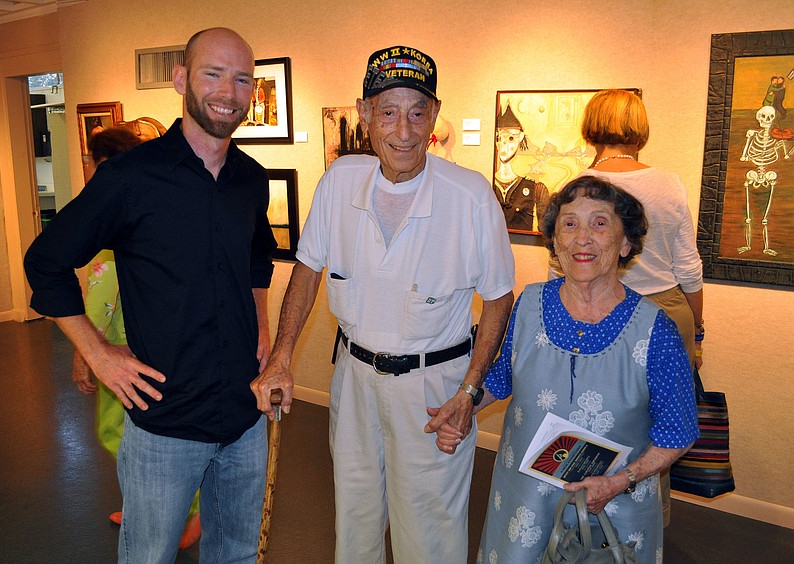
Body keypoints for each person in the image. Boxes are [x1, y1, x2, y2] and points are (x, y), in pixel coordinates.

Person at [250, 45, 516, 563]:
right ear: (364, 113)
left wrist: (470, 390)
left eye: (418, 113)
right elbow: (307, 269)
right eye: (388, 112)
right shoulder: (340, 180)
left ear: (435, 115)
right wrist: (281, 357)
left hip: (433, 389)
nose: (404, 131)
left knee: (429, 532)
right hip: (354, 379)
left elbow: (499, 298)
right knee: (354, 519)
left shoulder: (469, 196)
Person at [24, 27, 277, 564]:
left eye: (241, 80)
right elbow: (45, 262)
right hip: (164, 423)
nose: (228, 93)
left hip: (244, 416)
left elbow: (259, 257)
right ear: (181, 78)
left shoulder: (251, 180)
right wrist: (97, 352)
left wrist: (260, 322)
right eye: (213, 74)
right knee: (147, 556)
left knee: (236, 555)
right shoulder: (130, 178)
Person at [451, 176, 698, 564]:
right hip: (525, 501)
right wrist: (465, 405)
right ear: (554, 241)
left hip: (613, 507)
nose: (582, 238)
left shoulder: (656, 331)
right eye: (569, 224)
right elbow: (502, 378)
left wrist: (620, 481)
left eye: (599, 223)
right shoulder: (529, 303)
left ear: (626, 243)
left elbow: (678, 433)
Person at [551, 88, 705, 526]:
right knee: (661, 427)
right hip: (667, 309)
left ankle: (578, 516)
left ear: (590, 128)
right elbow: (689, 268)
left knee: (587, 416)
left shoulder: (576, 186)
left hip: (593, 309)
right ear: (640, 130)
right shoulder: (669, 183)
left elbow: (558, 267)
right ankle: (647, 523)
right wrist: (697, 331)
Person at [70, 127, 202, 548]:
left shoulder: (112, 228)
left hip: (120, 352)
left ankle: (190, 509)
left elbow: (99, 303)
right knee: (140, 436)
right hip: (152, 344)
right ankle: (147, 506)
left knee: (120, 434)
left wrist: (85, 354)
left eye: (93, 163)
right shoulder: (153, 209)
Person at [493, 103, 550, 232]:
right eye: (499, 138)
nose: (504, 144)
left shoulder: (535, 188)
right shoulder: (486, 184)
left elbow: (545, 230)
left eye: (511, 138)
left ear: (520, 138)